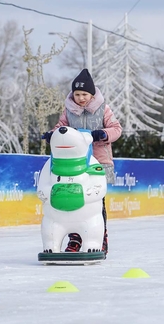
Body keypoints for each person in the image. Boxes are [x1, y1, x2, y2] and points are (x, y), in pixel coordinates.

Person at [42, 68, 122, 256]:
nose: (81, 98)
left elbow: (117, 129)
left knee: (95, 203)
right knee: (72, 202)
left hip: (97, 163)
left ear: (92, 94)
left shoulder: (103, 108)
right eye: (77, 94)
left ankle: (100, 238)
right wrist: (51, 135)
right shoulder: (69, 110)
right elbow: (60, 128)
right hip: (73, 164)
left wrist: (103, 134)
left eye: (84, 94)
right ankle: (75, 239)